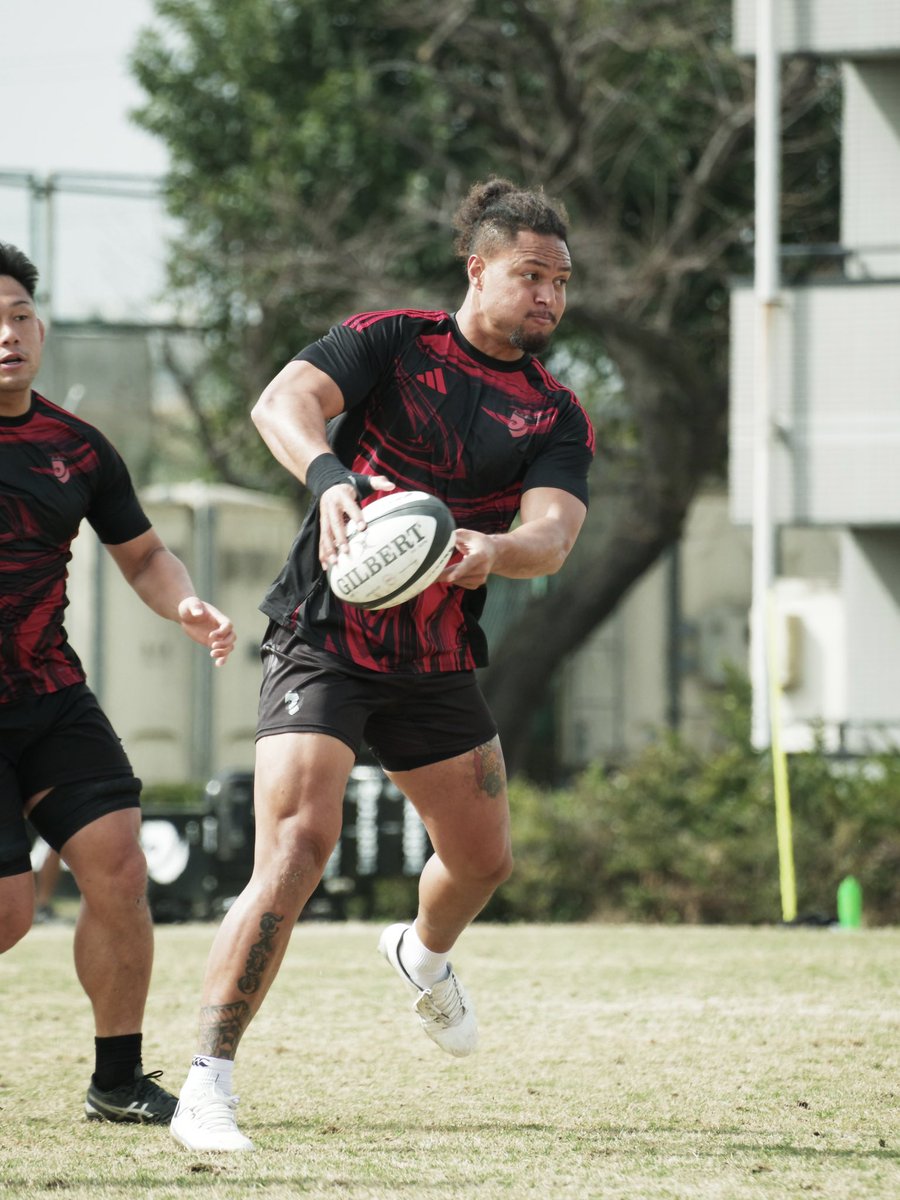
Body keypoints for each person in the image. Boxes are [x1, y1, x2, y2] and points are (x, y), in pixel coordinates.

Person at [170, 178, 595, 1152]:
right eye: (530, 276)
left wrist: (495, 552)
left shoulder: (555, 413)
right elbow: (284, 402)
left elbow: (554, 532)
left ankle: (422, 953)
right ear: (477, 269)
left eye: (561, 283)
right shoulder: (394, 340)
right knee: (297, 845)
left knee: (484, 859)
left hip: (437, 652)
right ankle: (209, 1083)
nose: (549, 299)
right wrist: (329, 476)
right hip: (327, 636)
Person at [0, 242, 236, 1124]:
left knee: (120, 867)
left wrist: (187, 608)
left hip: (50, 693)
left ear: (42, 328)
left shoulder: (78, 448)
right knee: (9, 913)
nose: (6, 334)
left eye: (19, 315)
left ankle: (116, 1081)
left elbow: (142, 554)